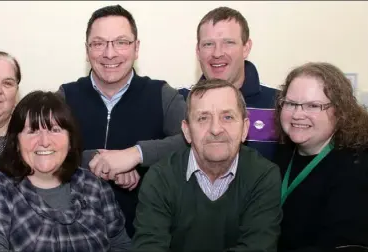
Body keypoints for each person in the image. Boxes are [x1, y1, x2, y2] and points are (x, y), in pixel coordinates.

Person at [57, 4, 187, 238]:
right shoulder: (66, 96)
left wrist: (136, 155)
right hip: (73, 237)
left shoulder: (162, 95)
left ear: (136, 48)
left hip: (147, 238)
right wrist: (100, 161)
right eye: (99, 44)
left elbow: (192, 142)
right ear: (87, 50)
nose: (109, 53)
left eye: (121, 42)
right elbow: (41, 150)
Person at [0, 91, 131, 252]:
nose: (44, 142)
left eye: (55, 130)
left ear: (70, 140)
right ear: (16, 142)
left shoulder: (95, 185)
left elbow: (122, 246)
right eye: (32, 131)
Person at [132, 79, 282, 251]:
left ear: (245, 129)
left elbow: (258, 248)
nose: (216, 129)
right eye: (203, 118)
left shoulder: (263, 176)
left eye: (227, 117)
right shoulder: (160, 178)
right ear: (187, 131)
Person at [274, 62, 368, 251]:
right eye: (291, 104)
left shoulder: (357, 166)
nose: (298, 115)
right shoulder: (283, 153)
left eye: (313, 106)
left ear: (340, 111)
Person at [177, 6, 280, 161]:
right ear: (198, 51)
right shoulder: (178, 101)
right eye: (208, 44)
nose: (217, 53)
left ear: (246, 48)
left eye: (228, 43)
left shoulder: (278, 104)